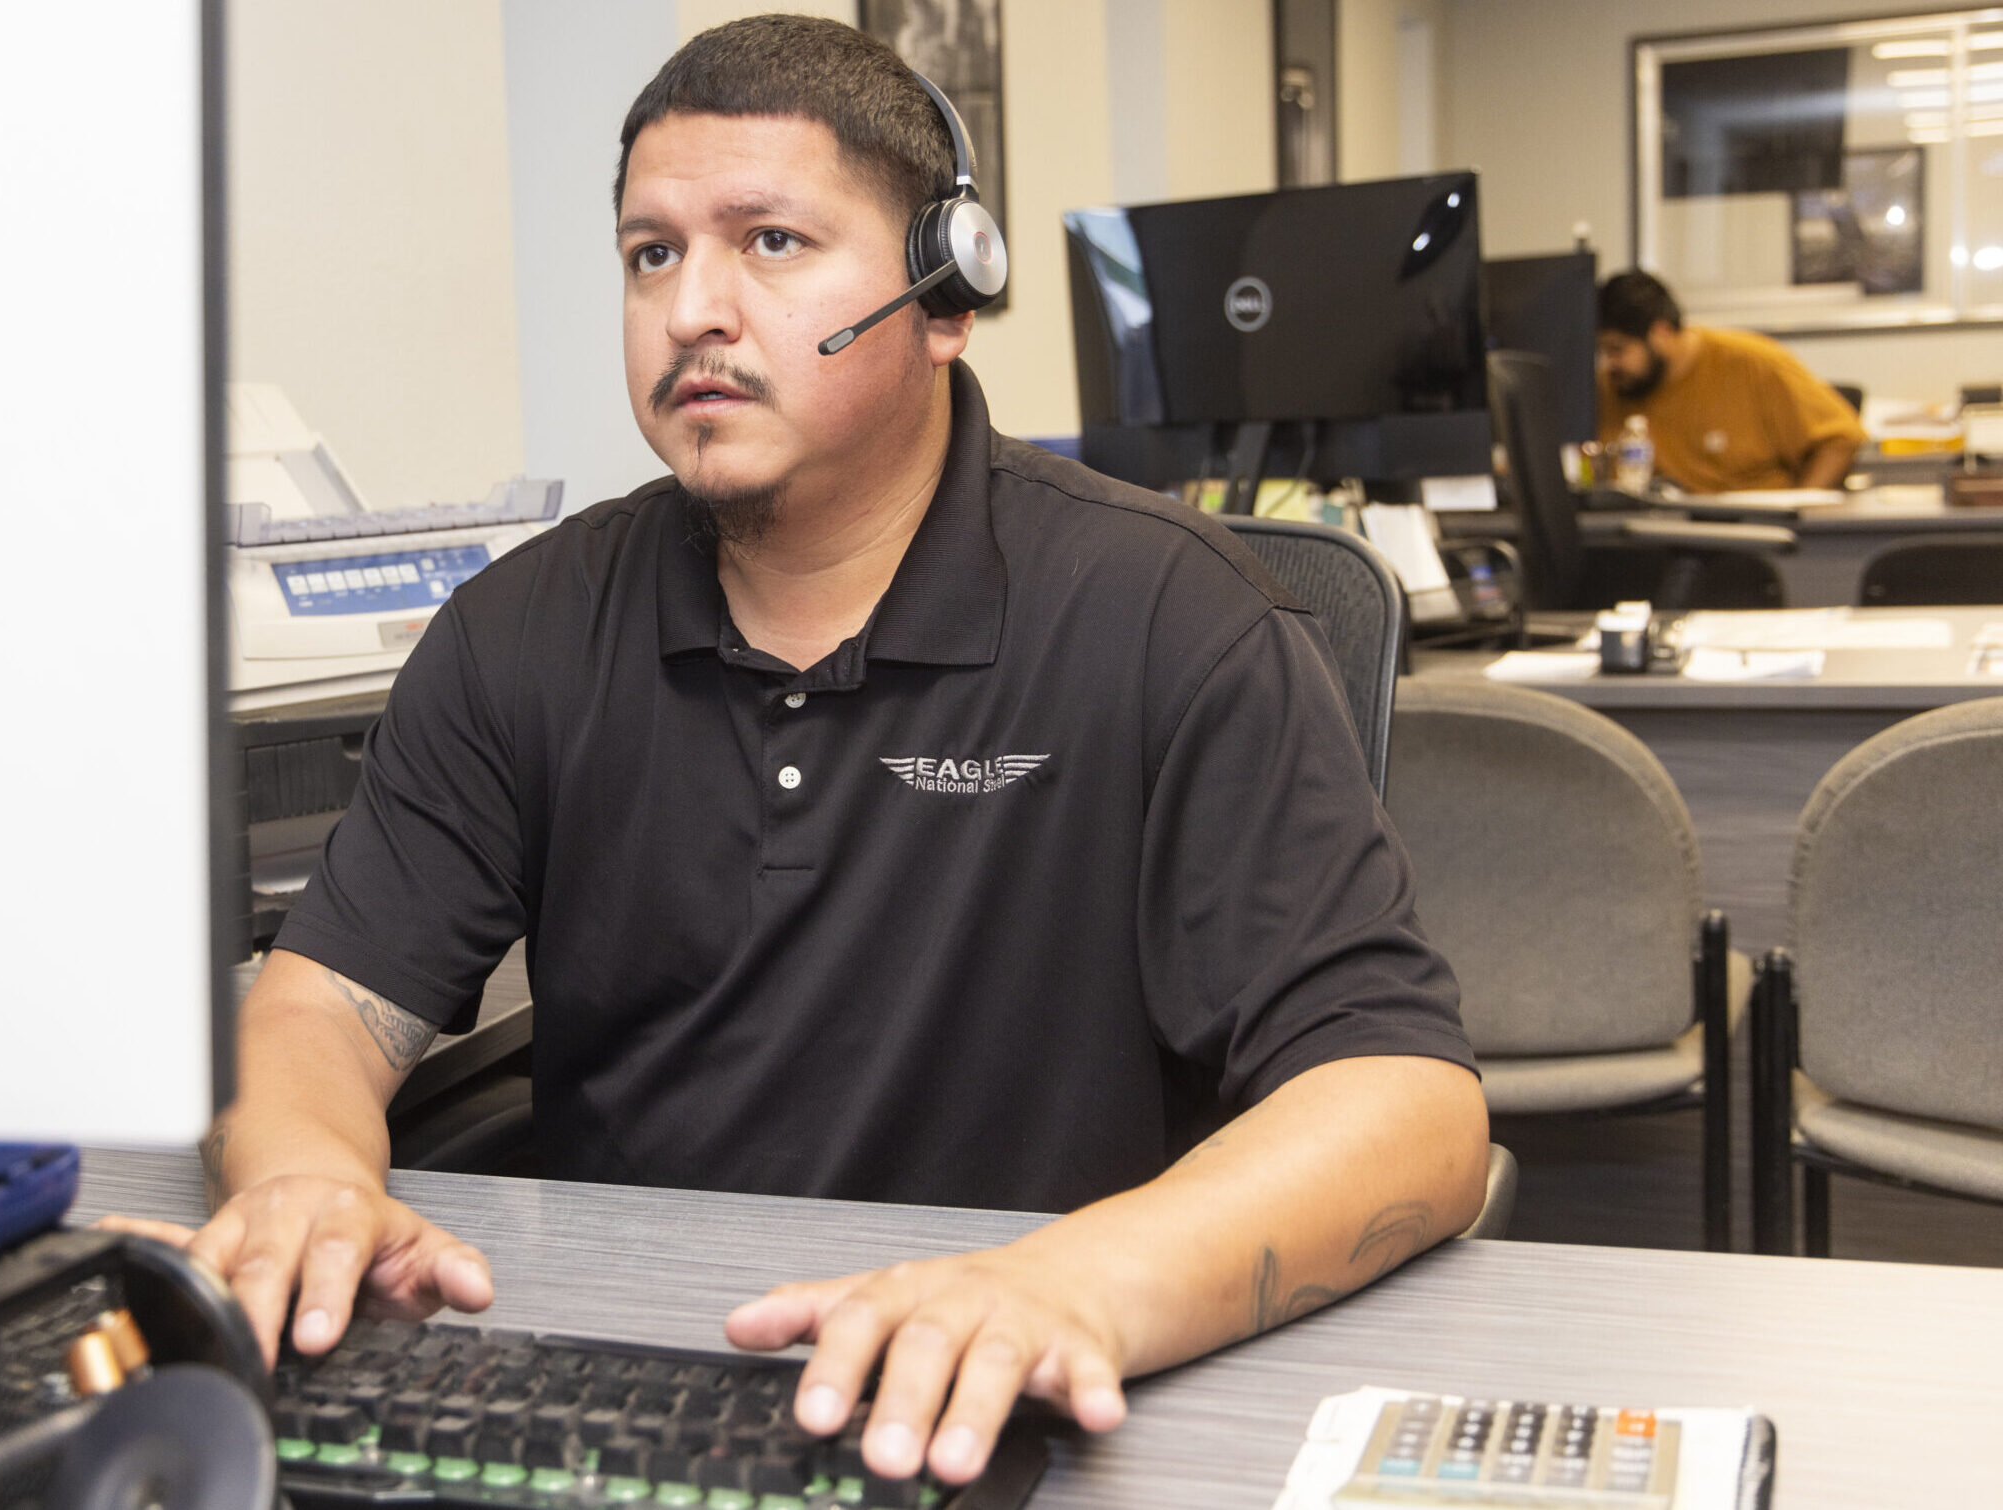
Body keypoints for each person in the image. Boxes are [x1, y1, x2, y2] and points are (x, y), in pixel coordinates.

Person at [104, 15, 1487, 1488]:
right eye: (650, 253)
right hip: (631, 1394)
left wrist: (1073, 1282)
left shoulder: (1166, 616)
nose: (694, 305)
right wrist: (309, 1180)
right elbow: (320, 1006)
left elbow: (1406, 1102)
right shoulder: (522, 627)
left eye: (769, 242)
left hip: (1008, 1386)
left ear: (946, 295)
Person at [1596, 269, 1865, 493]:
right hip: (1664, 535)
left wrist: (1801, 514)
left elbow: (1841, 440)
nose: (1609, 364)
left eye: (1617, 350)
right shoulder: (1613, 386)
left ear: (1662, 332)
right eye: (1603, 352)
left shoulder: (1753, 363)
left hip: (1755, 538)